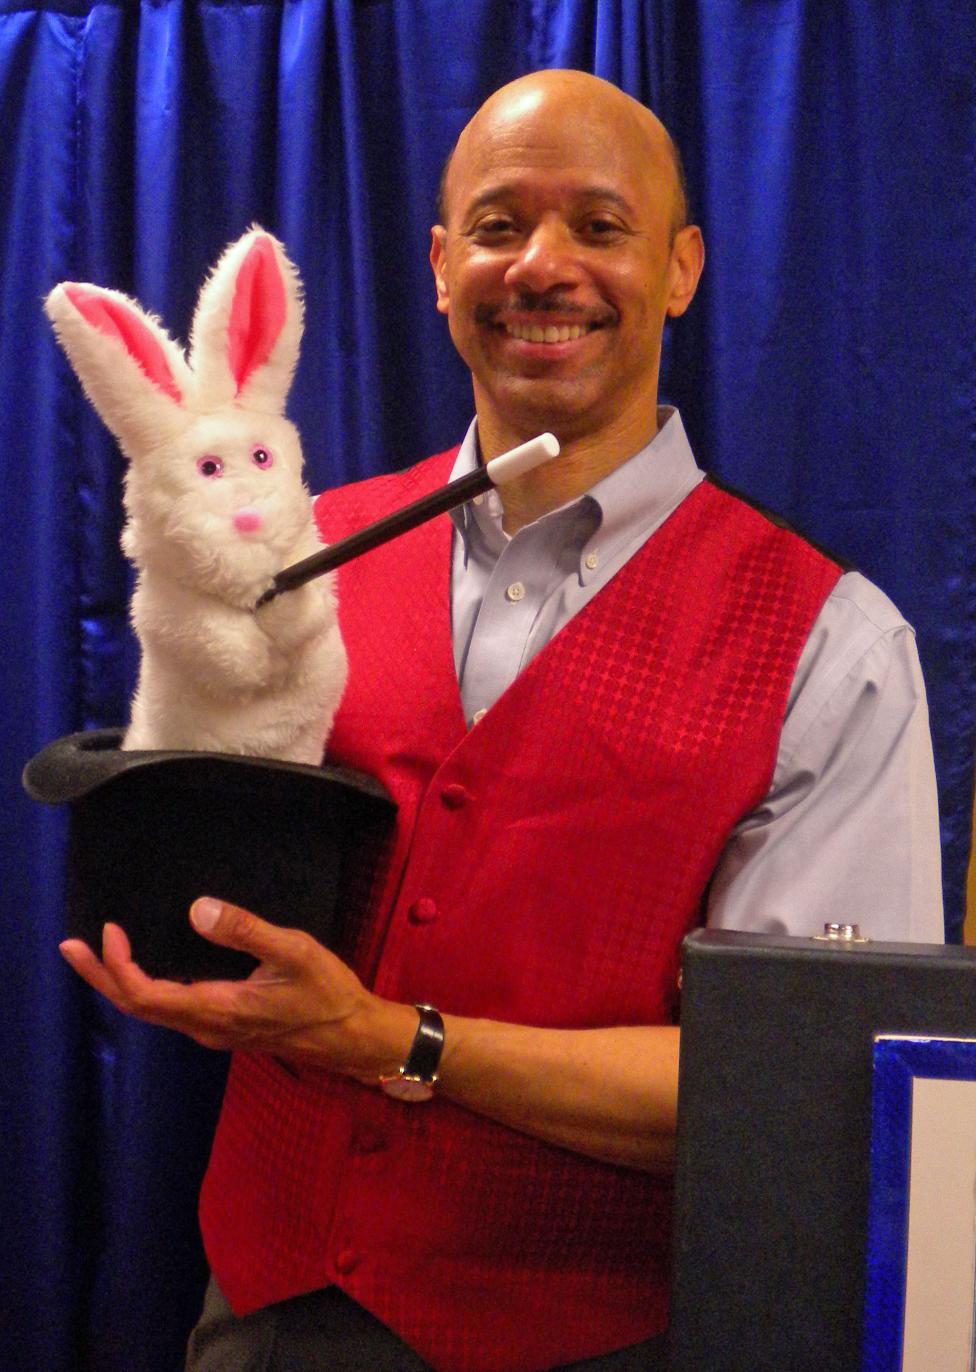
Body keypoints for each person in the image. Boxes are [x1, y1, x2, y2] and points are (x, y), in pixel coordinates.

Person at [59, 69, 943, 1372]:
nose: (542, 266)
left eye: (599, 225)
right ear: (436, 265)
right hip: (268, 1308)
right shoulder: (305, 555)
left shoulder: (834, 645)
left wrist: (392, 1045)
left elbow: (797, 1090)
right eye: (496, 225)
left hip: (599, 1336)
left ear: (682, 267)